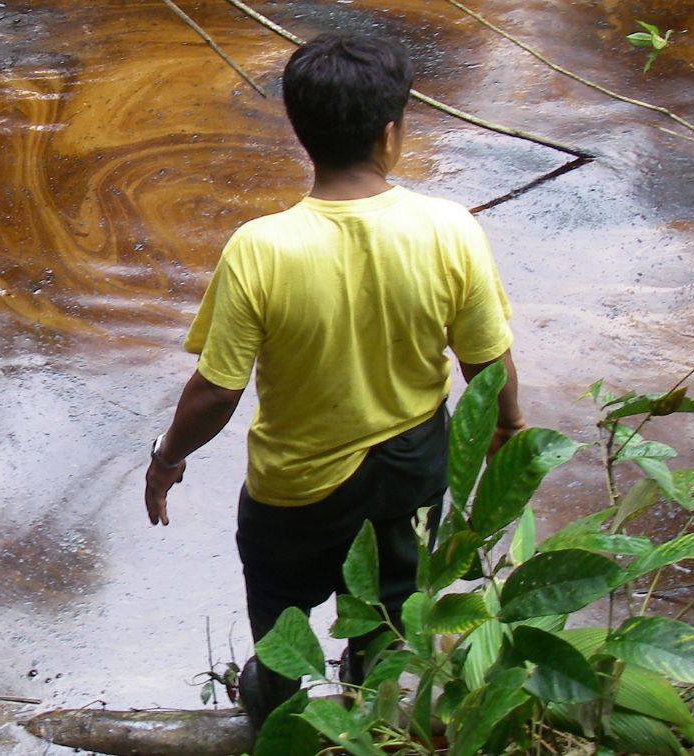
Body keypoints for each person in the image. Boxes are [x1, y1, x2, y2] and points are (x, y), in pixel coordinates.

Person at [141, 33, 526, 728]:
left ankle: (280, 718)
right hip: (409, 475)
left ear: (300, 130)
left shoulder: (260, 248)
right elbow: (486, 363)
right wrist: (507, 428)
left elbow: (217, 391)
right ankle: (372, 712)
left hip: (293, 494)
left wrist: (167, 460)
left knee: (281, 631)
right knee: (389, 612)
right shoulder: (451, 230)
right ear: (391, 133)